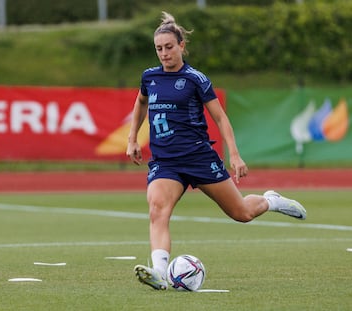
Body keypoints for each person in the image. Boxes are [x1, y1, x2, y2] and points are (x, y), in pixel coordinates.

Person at [126, 11, 306, 291]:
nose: (164, 53)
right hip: (166, 163)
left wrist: (234, 155)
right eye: (159, 49)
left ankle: (271, 200)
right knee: (157, 209)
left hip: (199, 158)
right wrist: (132, 138)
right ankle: (159, 272)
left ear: (182, 45)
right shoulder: (149, 77)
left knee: (242, 213)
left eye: (169, 47)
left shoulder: (196, 79)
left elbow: (220, 117)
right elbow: (140, 103)